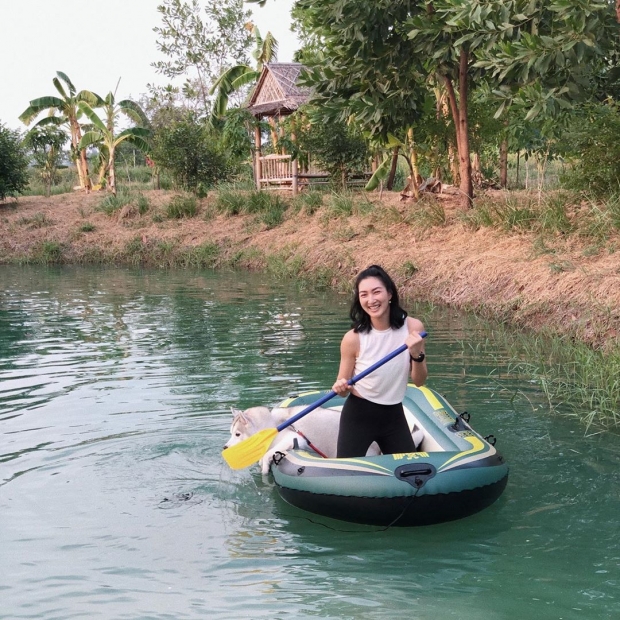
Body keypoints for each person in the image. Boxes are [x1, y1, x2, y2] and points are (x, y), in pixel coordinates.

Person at [332, 265, 427, 458]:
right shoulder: (353, 338)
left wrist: (417, 354)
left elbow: (419, 381)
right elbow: (342, 388)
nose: (371, 300)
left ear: (390, 293)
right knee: (348, 475)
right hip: (358, 415)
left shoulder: (413, 327)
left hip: (394, 415)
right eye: (364, 295)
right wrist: (341, 387)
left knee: (410, 473)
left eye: (377, 292)